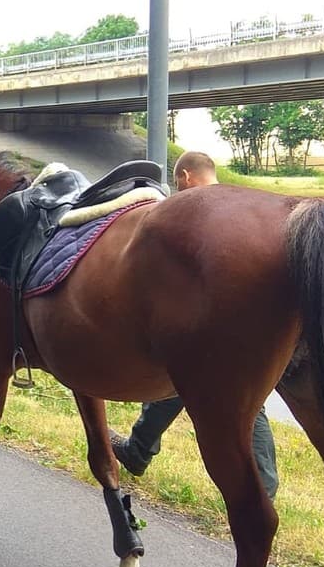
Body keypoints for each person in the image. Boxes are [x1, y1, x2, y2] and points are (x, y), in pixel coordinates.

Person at [112, 150, 280, 500]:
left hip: (216, 317)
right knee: (184, 379)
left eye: (177, 182)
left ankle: (262, 487)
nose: (178, 188)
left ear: (187, 176)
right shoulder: (239, 206)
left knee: (218, 388)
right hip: (249, 317)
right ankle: (138, 449)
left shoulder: (197, 211)